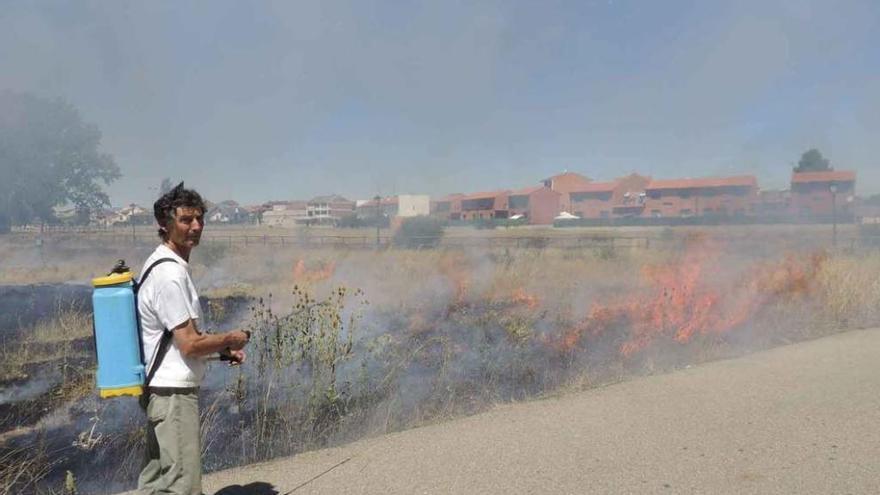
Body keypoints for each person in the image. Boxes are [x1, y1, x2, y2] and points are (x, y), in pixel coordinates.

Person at [137, 182, 250, 495]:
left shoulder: (162, 264)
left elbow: (174, 343)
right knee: (183, 486)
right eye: (186, 220)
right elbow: (188, 344)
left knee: (157, 484)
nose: (196, 226)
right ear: (165, 223)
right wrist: (231, 337)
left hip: (161, 390)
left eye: (200, 219)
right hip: (173, 395)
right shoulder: (170, 275)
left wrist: (222, 351)